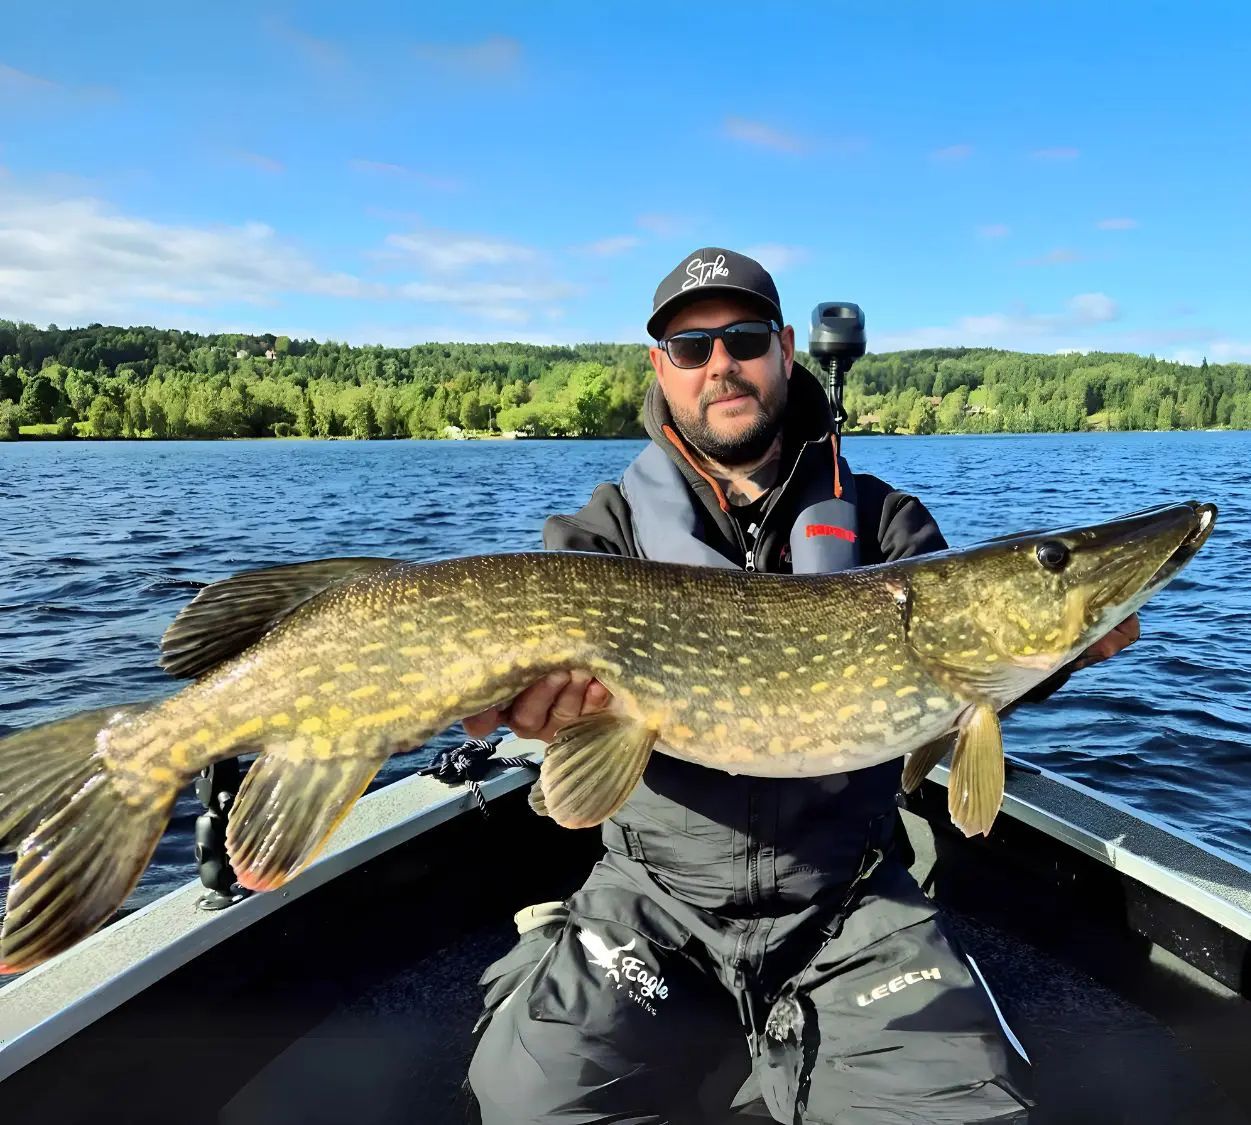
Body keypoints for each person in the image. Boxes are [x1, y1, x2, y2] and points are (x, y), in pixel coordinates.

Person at [460, 247, 1140, 1124]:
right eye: (690, 347)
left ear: (783, 349)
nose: (720, 364)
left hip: (846, 894)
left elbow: (960, 679)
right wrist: (546, 720)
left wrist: (1056, 655)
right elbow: (565, 741)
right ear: (661, 369)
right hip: (653, 895)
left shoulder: (886, 522)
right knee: (533, 1100)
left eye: (743, 338)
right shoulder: (605, 532)